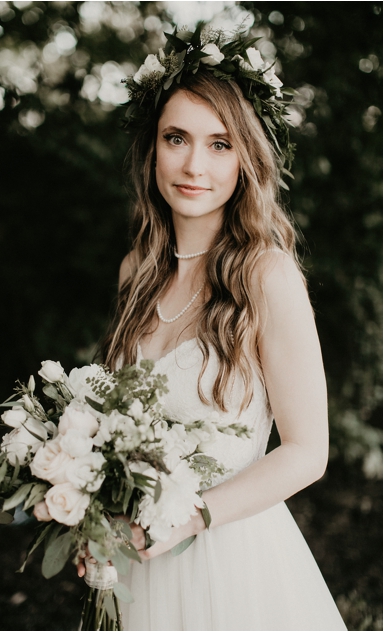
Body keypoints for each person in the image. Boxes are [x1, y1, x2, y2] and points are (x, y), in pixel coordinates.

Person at [78, 27, 346, 630]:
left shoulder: (267, 275)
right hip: (137, 559)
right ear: (153, 150)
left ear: (247, 160)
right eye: (177, 139)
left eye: (220, 144)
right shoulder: (136, 272)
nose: (195, 165)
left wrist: (193, 516)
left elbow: (308, 452)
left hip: (229, 556)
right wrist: (95, 515)